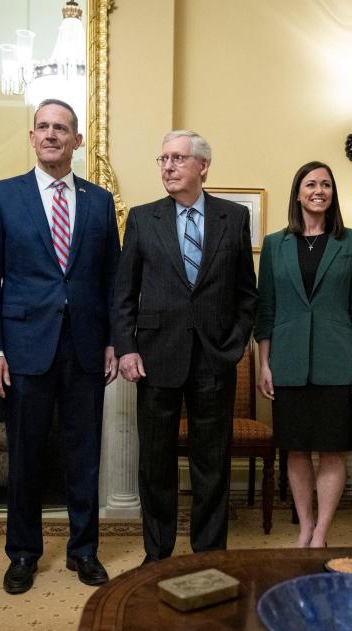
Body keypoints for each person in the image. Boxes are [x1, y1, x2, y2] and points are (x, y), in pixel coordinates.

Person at [0, 99, 120, 593]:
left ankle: (84, 551)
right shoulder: (1, 196)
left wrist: (114, 342)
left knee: (84, 456)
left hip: (84, 348)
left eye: (62, 128)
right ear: (31, 138)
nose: (52, 134)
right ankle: (23, 553)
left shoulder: (100, 201)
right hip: (23, 349)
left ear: (78, 140)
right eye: (44, 127)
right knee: (26, 456)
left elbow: (110, 281)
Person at [113, 130, 258, 563]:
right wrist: (127, 347)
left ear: (203, 167)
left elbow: (246, 293)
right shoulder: (142, 218)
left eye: (178, 158)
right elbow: (124, 293)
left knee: (211, 463)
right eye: (162, 159)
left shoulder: (233, 217)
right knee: (155, 464)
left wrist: (234, 346)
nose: (168, 167)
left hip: (215, 358)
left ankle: (208, 553)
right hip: (156, 357)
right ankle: (157, 554)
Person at [254, 161, 352, 548]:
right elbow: (266, 310)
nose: (319, 190)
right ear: (298, 192)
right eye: (311, 184)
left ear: (333, 193)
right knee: (297, 450)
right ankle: (304, 526)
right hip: (288, 363)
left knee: (333, 451)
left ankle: (321, 532)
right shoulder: (275, 244)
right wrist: (264, 364)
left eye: (326, 184)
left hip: (337, 362)